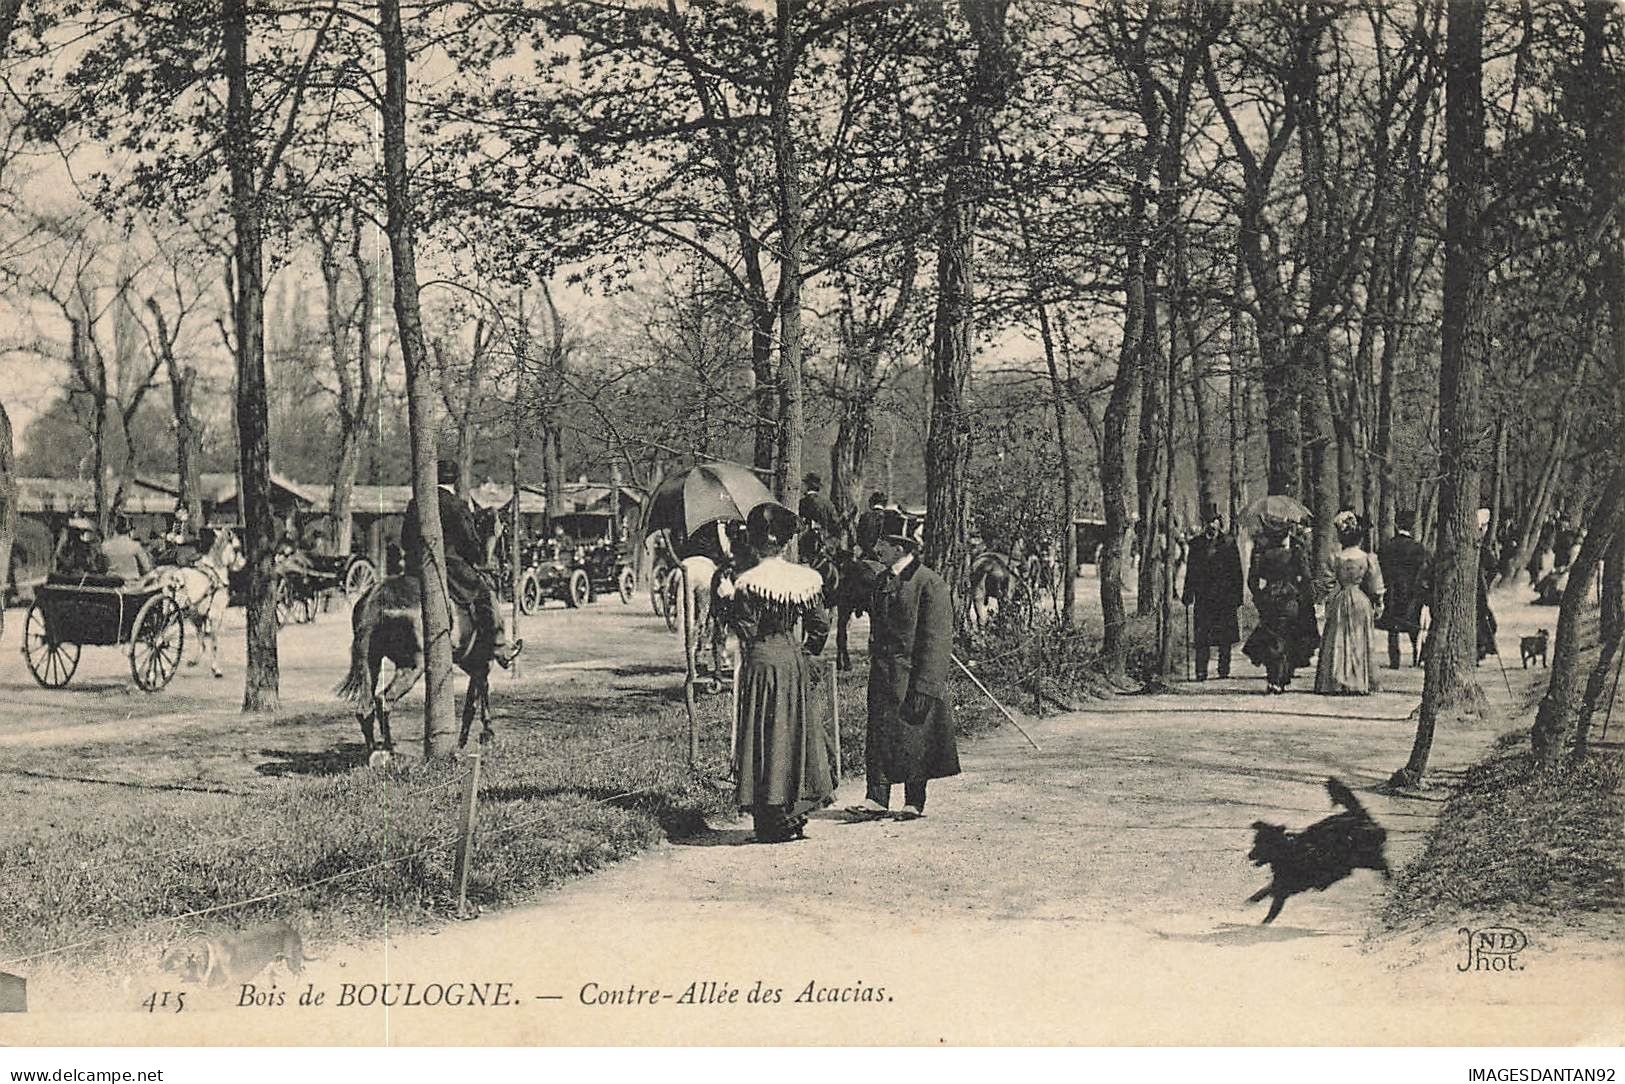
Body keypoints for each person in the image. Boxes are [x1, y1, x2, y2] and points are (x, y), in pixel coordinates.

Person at [713, 502, 833, 844]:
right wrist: (804, 656)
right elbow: (820, 626)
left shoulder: (748, 582)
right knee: (794, 733)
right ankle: (794, 810)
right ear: (784, 542)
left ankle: (769, 817)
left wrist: (727, 600)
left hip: (762, 662)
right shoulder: (804, 579)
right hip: (791, 660)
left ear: (754, 541)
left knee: (764, 734)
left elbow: (747, 631)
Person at [847, 509, 959, 820]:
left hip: (913, 678)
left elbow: (937, 641)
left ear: (900, 547)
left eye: (882, 543)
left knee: (915, 737)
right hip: (883, 675)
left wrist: (927, 686)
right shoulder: (882, 580)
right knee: (879, 735)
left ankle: (914, 800)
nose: (876, 549)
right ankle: (876, 797)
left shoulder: (929, 584)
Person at [401, 458, 522, 668]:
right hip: (450, 568)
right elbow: (472, 548)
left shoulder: (415, 503)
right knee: (485, 593)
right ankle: (499, 645)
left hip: (414, 568)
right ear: (455, 480)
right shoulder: (457, 505)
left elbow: (404, 540)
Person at [1314, 510, 1386, 695]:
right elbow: (1375, 585)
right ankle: (1359, 679)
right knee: (1359, 638)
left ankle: (1337, 679)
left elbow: (1326, 584)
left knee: (1338, 638)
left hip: (1341, 599)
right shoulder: (1368, 558)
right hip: (1361, 601)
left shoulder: (1335, 558)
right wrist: (1378, 602)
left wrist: (1324, 600)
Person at [1242, 520, 1313, 694]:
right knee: (1287, 637)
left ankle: (1273, 677)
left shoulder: (1263, 553)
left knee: (1272, 638)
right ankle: (1282, 677)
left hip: (1269, 599)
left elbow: (1252, 580)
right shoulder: (1295, 552)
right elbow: (1306, 576)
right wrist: (1304, 595)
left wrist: (1258, 596)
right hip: (1290, 599)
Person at [1182, 502, 1243, 681]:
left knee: (1225, 637)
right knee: (1202, 636)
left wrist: (1238, 596)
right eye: (1208, 521)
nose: (1211, 525)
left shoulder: (1229, 543)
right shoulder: (1196, 545)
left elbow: (1237, 572)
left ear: (1219, 522)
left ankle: (1224, 668)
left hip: (1225, 597)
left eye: (1214, 521)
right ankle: (1201, 670)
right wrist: (1188, 593)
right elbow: (1190, 572)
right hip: (1204, 597)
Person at [1375, 509, 1431, 668]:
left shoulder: (1386, 547)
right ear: (1412, 527)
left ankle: (1394, 659)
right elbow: (1423, 571)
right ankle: (1416, 656)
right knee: (1414, 624)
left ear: (1396, 525)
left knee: (1393, 626)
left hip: (1391, 592)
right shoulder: (1418, 548)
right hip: (1412, 593)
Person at [101, 514, 153, 582]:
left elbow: (102, 566)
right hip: (131, 582)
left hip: (111, 582)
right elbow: (146, 568)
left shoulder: (105, 545)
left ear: (114, 528)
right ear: (130, 530)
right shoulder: (135, 546)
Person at [798, 472, 840, 542]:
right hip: (824, 542)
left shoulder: (801, 503)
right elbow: (836, 524)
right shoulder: (828, 503)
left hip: (805, 542)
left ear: (807, 486)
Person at [854, 491, 889, 559]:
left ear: (871, 503)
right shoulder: (889, 516)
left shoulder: (866, 516)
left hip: (868, 552)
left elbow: (860, 537)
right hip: (884, 553)